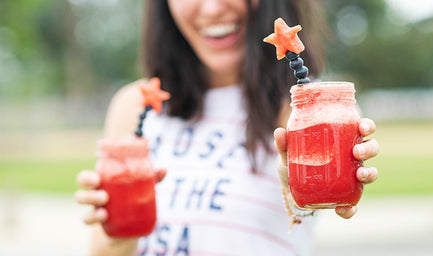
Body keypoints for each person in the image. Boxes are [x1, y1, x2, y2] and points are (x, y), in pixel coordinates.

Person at [74, 0, 380, 255]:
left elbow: (316, 203)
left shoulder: (312, 109)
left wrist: (302, 189)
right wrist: (118, 236)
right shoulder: (136, 106)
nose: (212, 9)